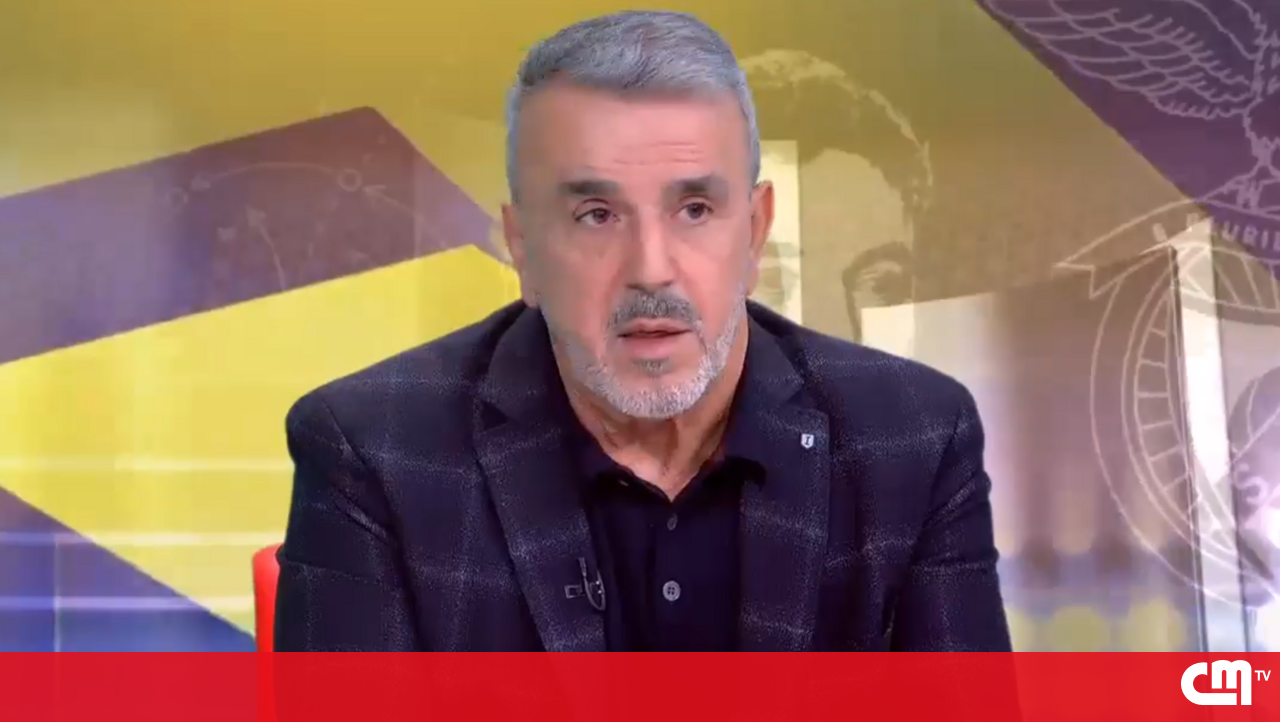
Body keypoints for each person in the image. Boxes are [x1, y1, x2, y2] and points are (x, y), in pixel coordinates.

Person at [274, 10, 1011, 652]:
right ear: (522, 247)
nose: (652, 270)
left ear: (754, 233)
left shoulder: (913, 438)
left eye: (694, 210)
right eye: (596, 215)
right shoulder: (374, 451)